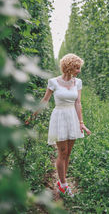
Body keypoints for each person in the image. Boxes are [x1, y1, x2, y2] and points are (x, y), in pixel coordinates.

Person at [26, 53, 91, 196]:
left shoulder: (78, 82)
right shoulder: (53, 82)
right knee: (61, 152)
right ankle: (63, 184)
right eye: (77, 68)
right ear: (69, 67)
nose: (79, 71)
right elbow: (45, 100)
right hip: (59, 117)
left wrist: (81, 123)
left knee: (68, 153)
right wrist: (32, 115)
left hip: (72, 117)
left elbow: (78, 102)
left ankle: (62, 180)